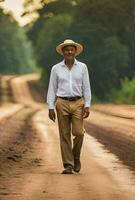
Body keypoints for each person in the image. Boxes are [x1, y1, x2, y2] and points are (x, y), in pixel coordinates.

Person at [47, 39, 91, 174]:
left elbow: (86, 87)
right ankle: (68, 165)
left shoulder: (82, 67)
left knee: (79, 132)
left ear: (75, 51)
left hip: (78, 102)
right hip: (62, 103)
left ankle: (75, 156)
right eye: (67, 49)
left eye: (71, 49)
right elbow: (52, 88)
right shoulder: (56, 69)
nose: (69, 52)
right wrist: (50, 106)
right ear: (63, 52)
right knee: (64, 135)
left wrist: (87, 105)